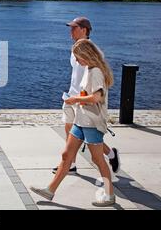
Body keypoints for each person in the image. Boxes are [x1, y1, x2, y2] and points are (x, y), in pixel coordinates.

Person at [31, 39, 116, 207]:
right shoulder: (89, 69)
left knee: (97, 159)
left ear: (86, 55)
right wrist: (77, 102)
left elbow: (97, 97)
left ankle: (109, 194)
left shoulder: (96, 72)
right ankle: (50, 190)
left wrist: (75, 99)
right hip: (80, 120)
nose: (76, 61)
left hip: (92, 122)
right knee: (66, 156)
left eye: (78, 57)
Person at [53, 17, 120, 175]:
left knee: (87, 136)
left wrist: (87, 98)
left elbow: (99, 76)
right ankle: (71, 164)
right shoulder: (75, 48)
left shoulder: (96, 52)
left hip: (84, 100)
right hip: (71, 95)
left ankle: (110, 155)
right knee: (70, 129)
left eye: (74, 28)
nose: (71, 31)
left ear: (84, 29)